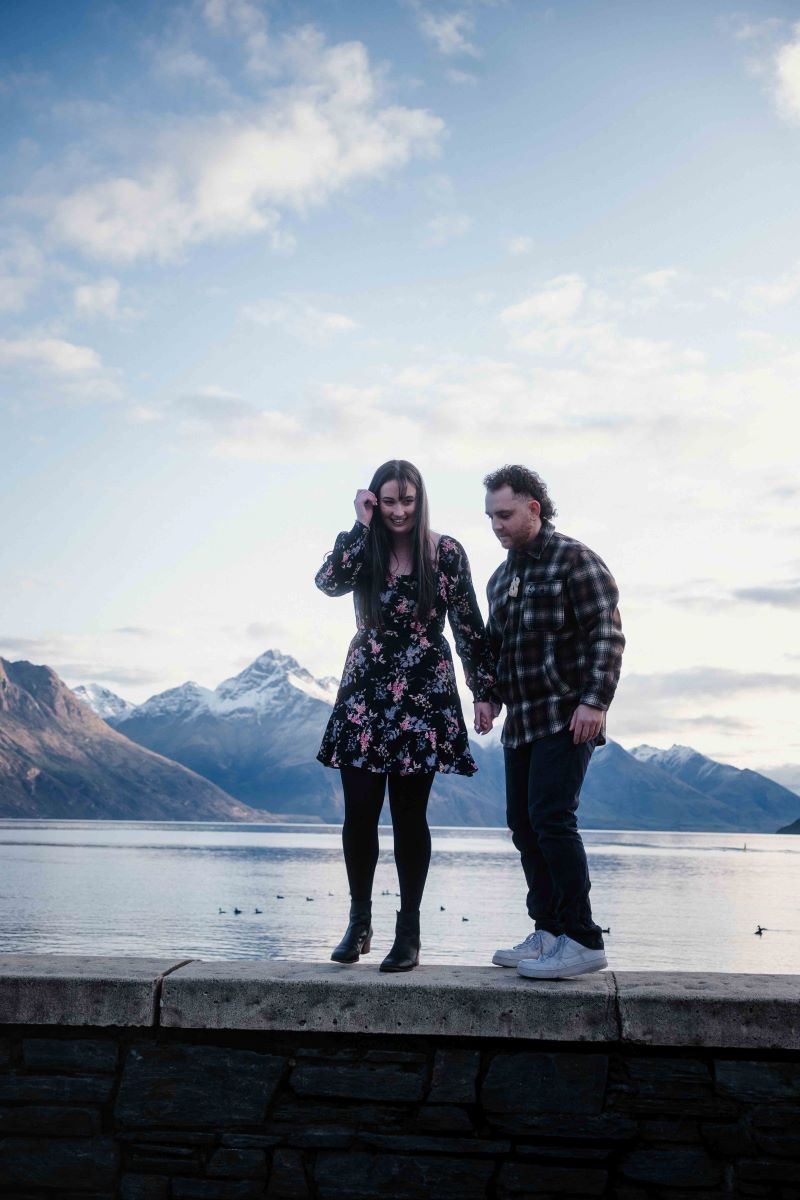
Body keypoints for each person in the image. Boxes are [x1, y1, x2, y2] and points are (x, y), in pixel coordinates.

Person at [316, 459, 496, 972]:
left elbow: (467, 624)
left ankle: (409, 931)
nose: (398, 511)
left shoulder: (445, 552)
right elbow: (327, 582)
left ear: (421, 500)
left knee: (410, 816)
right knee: (360, 812)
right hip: (366, 686)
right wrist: (360, 523)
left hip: (423, 687)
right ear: (374, 500)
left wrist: (482, 690)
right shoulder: (360, 545)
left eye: (407, 501)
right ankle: (359, 921)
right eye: (388, 501)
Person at [484, 464, 624, 980]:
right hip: (520, 722)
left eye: (505, 515)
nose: (496, 525)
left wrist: (595, 701)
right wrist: (487, 696)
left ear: (533, 508)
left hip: (567, 717)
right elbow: (500, 650)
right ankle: (547, 933)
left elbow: (606, 635)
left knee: (553, 820)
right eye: (491, 517)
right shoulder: (501, 578)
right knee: (524, 827)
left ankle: (582, 938)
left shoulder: (576, 561)